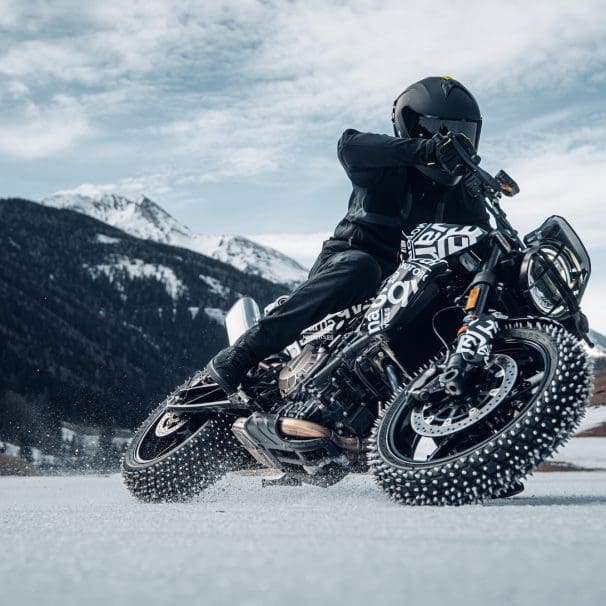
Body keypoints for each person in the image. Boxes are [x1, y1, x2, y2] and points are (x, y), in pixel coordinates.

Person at [207, 76, 491, 396]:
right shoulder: (385, 163)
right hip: (351, 261)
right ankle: (242, 354)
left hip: (404, 289)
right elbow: (350, 145)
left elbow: (482, 239)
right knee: (362, 268)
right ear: (415, 127)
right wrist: (428, 150)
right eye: (446, 132)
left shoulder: (460, 194)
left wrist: (475, 194)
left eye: (464, 134)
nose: (455, 141)